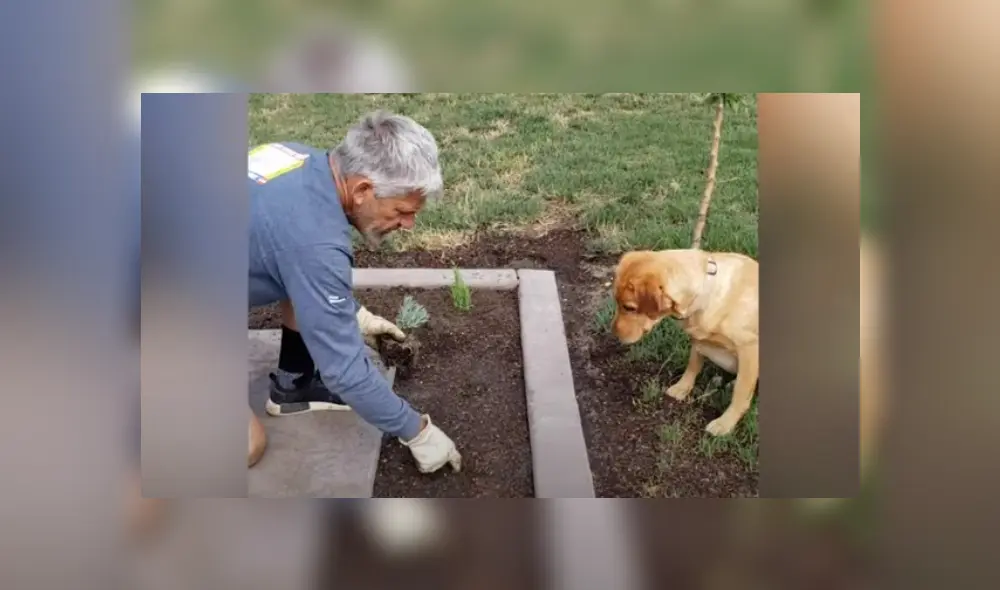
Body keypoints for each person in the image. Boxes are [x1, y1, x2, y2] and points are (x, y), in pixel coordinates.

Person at [247, 110, 462, 475]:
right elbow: (344, 372)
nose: (408, 225)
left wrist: (352, 314)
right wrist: (417, 432)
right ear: (363, 190)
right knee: (247, 446)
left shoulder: (300, 159)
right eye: (402, 211)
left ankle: (293, 385)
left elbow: (296, 263)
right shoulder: (314, 241)